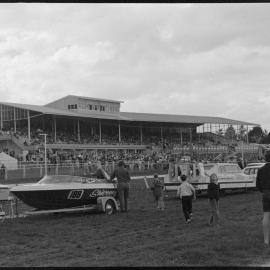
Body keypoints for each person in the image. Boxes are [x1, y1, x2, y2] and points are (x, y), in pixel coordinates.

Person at [256, 150, 270, 247]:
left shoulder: (260, 170)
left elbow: (258, 185)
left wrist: (264, 191)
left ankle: (266, 240)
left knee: (266, 216)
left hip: (265, 193)